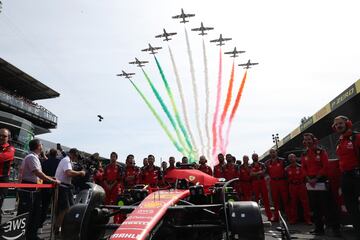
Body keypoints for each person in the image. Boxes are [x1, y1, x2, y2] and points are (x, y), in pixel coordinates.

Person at [18, 139, 60, 240]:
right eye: (41, 144)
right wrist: (52, 181)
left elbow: (37, 174)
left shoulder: (34, 157)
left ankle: (31, 236)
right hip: (29, 188)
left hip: (34, 189)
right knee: (26, 214)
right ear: (38, 146)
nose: (42, 146)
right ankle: (20, 236)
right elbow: (38, 173)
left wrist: (51, 178)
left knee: (34, 214)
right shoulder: (31, 157)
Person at [301, 133, 340, 236]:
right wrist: (308, 178)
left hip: (321, 180)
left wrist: (316, 178)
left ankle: (335, 229)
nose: (307, 142)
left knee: (327, 206)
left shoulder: (321, 151)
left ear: (313, 140)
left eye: (309, 139)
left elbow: (325, 166)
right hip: (310, 182)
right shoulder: (304, 154)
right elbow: (303, 168)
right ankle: (319, 229)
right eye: (305, 140)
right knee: (315, 207)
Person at [333, 116, 360, 238]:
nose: (338, 125)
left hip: (357, 175)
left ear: (347, 123)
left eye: (341, 123)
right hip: (345, 177)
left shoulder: (356, 137)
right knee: (350, 206)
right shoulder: (339, 141)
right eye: (336, 124)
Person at [54, 148, 85, 234]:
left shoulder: (68, 161)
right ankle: (57, 228)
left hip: (65, 187)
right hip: (62, 187)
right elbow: (69, 173)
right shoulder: (66, 160)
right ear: (73, 154)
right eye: (76, 156)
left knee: (70, 208)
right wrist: (80, 173)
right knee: (64, 209)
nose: (76, 158)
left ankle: (61, 226)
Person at [286, 153, 311, 225]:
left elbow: (304, 176)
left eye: (292, 157)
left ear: (295, 158)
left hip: (301, 186)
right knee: (293, 203)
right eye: (289, 158)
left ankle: (308, 219)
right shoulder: (287, 169)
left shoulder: (300, 167)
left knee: (305, 203)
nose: (291, 159)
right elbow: (286, 178)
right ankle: (293, 219)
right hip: (292, 187)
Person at [266, 149, 290, 222]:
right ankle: (276, 217)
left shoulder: (283, 161)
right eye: (271, 153)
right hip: (273, 182)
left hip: (282, 181)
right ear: (270, 154)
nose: (272, 153)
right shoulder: (267, 163)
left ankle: (288, 217)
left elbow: (287, 170)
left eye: (274, 152)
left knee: (285, 199)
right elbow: (266, 173)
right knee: (275, 200)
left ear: (276, 153)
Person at [39, 148, 60, 229]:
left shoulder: (44, 162)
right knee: (56, 207)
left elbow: (42, 174)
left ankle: (40, 225)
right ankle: (56, 226)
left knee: (44, 206)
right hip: (56, 186)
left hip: (45, 186)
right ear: (56, 154)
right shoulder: (59, 162)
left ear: (49, 154)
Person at [250, 153, 272, 221]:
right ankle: (255, 217)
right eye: (253, 156)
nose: (255, 157)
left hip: (262, 182)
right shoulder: (250, 166)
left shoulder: (262, 164)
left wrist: (256, 173)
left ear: (258, 157)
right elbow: (251, 174)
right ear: (252, 157)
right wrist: (259, 172)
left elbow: (264, 172)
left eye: (256, 156)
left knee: (266, 200)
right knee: (255, 200)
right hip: (255, 182)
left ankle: (269, 217)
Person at [102, 152, 123, 223]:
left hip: (115, 187)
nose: (113, 158)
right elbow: (103, 178)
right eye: (111, 157)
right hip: (107, 187)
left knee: (116, 205)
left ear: (116, 158)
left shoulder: (119, 167)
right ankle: (104, 220)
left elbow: (119, 179)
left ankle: (115, 221)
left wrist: (112, 185)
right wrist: (107, 186)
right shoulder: (106, 167)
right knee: (106, 205)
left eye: (114, 157)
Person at [0, 128, 15, 224]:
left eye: (4, 136)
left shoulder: (10, 148)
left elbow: (1, 158)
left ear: (8, 137)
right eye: (0, 135)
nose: (1, 137)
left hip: (2, 180)